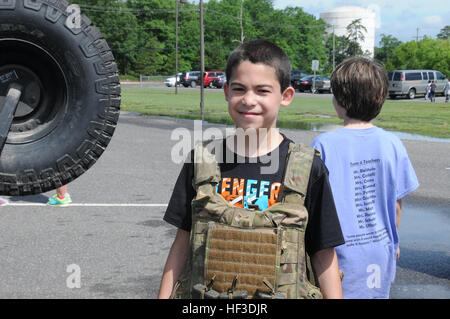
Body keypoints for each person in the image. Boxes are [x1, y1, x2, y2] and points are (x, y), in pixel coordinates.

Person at [158, 39, 344, 299]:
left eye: (262, 90)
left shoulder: (307, 167)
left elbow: (323, 252)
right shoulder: (202, 161)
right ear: (225, 92)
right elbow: (182, 243)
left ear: (286, 96)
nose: (248, 100)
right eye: (239, 89)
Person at [311, 57, 419, 299]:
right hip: (381, 251)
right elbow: (396, 205)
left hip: (336, 255)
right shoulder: (393, 143)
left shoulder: (324, 144)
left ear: (339, 100)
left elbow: (315, 208)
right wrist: (394, 241)